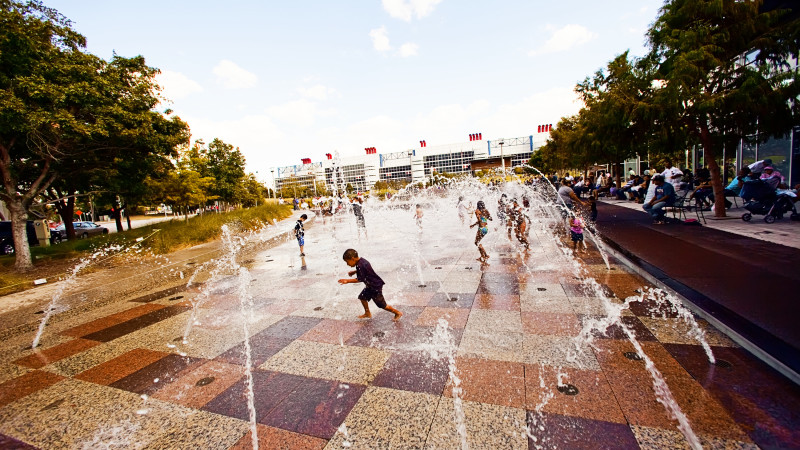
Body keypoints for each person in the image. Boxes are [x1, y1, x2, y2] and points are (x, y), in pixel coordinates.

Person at [338, 249, 402, 321]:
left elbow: (360, 279)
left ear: (352, 258)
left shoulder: (360, 265)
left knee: (381, 305)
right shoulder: (361, 261)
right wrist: (354, 271)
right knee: (362, 297)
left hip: (375, 286)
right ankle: (367, 313)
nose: (347, 264)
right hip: (370, 285)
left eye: (347, 262)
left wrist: (347, 281)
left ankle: (397, 313)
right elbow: (364, 271)